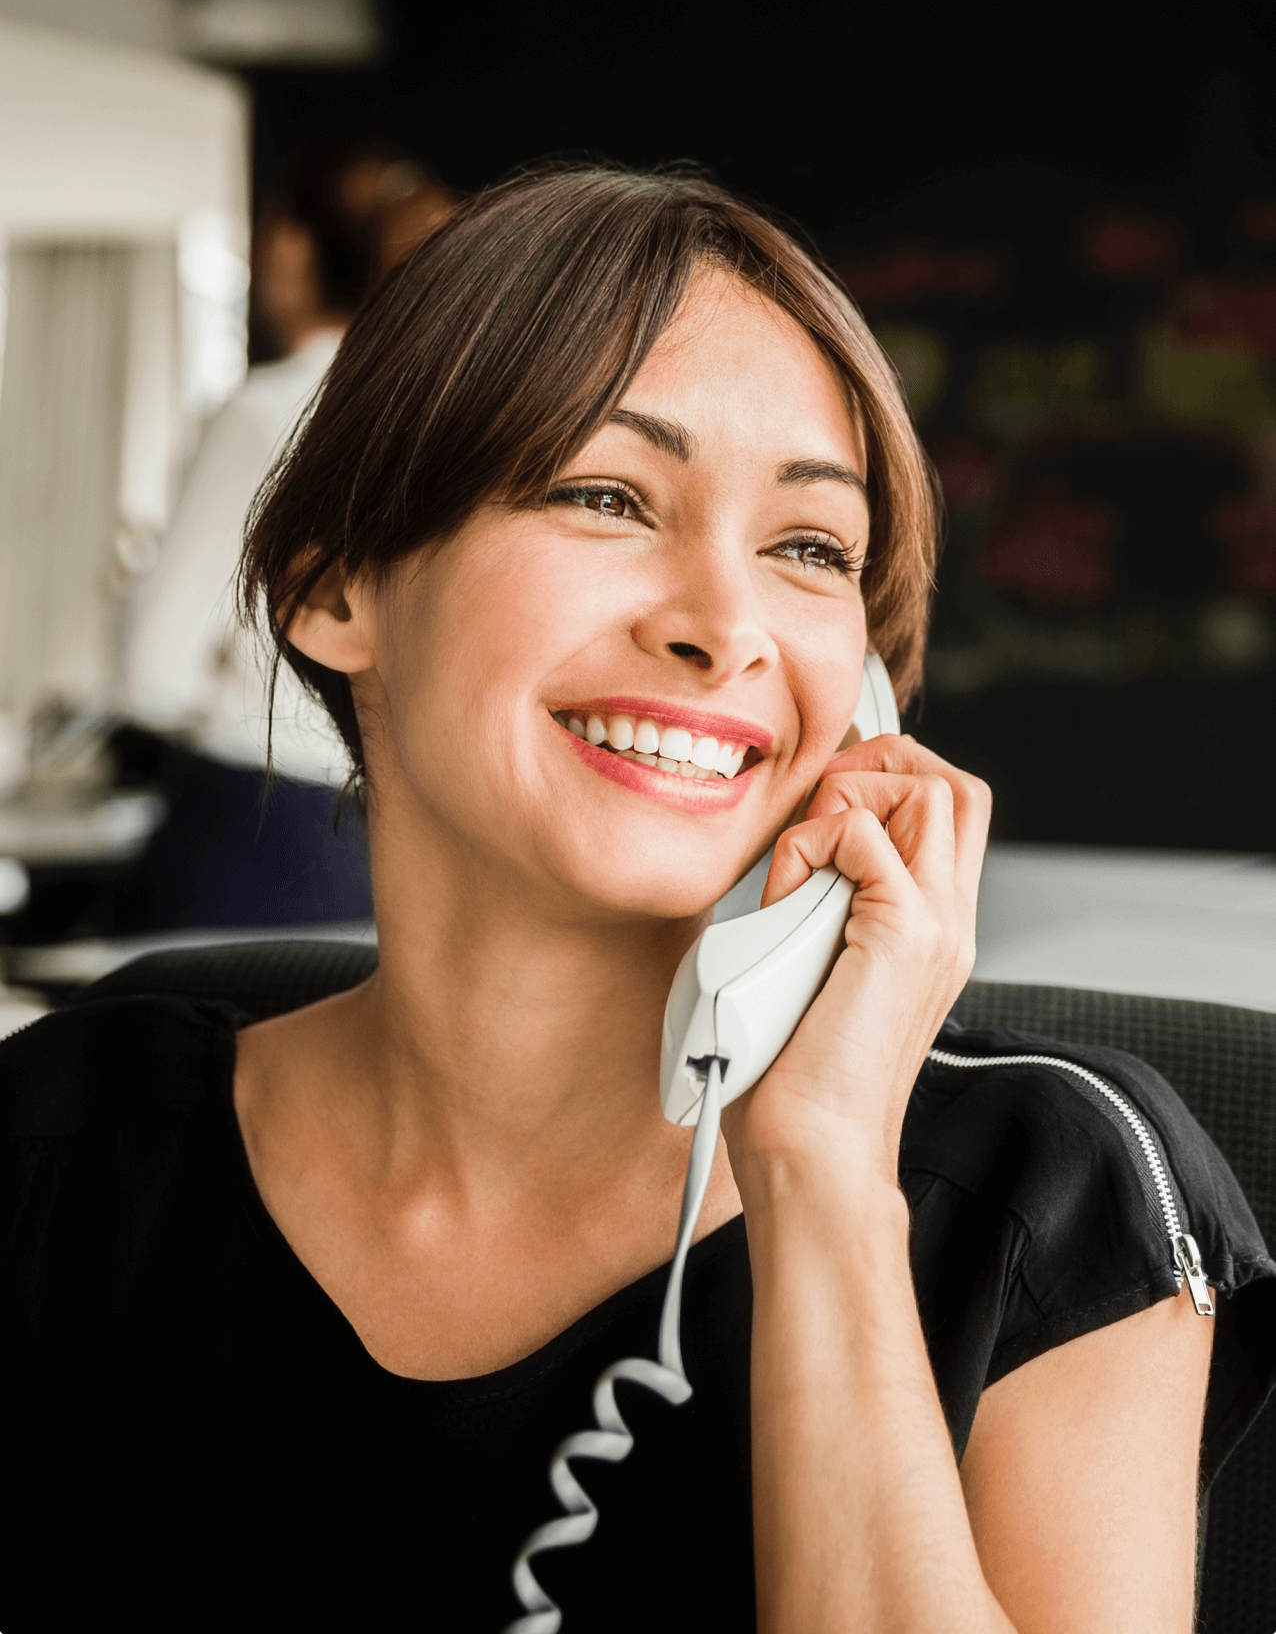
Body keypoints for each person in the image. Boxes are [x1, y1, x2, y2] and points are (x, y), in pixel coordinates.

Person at [2, 166, 1272, 1633]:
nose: (725, 629)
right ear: (335, 584)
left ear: (861, 691)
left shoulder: (1053, 1201)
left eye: (809, 549)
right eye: (607, 496)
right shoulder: (61, 1148)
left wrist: (824, 1183)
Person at [114, 136, 456, 929]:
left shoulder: (266, 413)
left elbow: (152, 671)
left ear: (289, 248)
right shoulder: (446, 419)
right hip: (403, 832)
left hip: (255, 822)